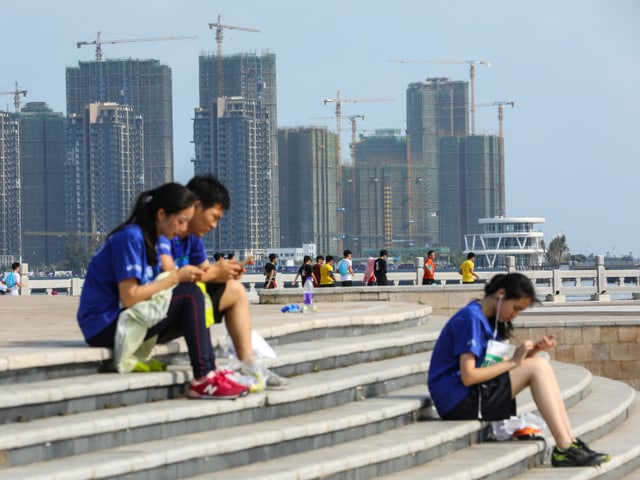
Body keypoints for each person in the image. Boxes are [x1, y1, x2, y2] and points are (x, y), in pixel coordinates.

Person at [77, 182, 248, 400]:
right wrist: (176, 277)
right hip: (104, 325)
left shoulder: (155, 238)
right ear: (161, 214)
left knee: (197, 293)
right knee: (189, 293)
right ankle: (204, 376)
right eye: (181, 221)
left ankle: (221, 370)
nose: (184, 229)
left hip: (129, 318)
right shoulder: (131, 238)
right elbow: (129, 297)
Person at [427, 273, 610, 468]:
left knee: (540, 364)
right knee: (537, 367)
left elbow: (494, 367)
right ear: (501, 294)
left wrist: (533, 352)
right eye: (515, 308)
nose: (514, 315)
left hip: (470, 394)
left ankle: (569, 441)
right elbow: (469, 376)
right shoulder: (470, 319)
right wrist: (514, 362)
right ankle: (565, 447)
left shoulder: (488, 320)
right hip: (457, 400)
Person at [157, 175, 288, 391]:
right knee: (193, 293)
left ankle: (248, 363)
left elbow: (205, 273)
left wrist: (225, 273)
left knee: (235, 290)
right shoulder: (165, 233)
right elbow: (169, 279)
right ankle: (206, 373)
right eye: (214, 217)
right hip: (161, 310)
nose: (214, 225)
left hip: (180, 307)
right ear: (196, 206)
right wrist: (213, 273)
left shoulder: (193, 240)